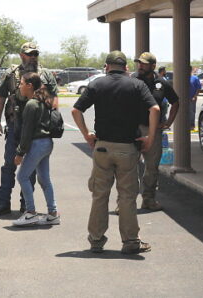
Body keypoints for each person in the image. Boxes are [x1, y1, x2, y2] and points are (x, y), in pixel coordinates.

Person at [71, 51, 159, 254]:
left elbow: (76, 110)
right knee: (127, 196)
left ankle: (96, 240)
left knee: (100, 195)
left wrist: (86, 135)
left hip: (102, 147)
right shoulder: (136, 85)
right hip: (127, 148)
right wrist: (151, 137)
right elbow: (154, 109)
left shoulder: (97, 84)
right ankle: (130, 241)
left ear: (107, 66)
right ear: (126, 67)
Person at [0, 41, 58, 217]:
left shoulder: (45, 74)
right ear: (22, 55)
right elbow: (0, 96)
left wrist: (50, 121)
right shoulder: (11, 74)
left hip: (36, 130)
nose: (33, 57)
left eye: (36, 53)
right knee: (9, 165)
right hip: (14, 126)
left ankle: (26, 206)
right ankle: (3, 204)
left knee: (31, 169)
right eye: (30, 54)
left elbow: (54, 100)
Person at [132, 52, 179, 211]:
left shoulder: (161, 83)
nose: (140, 66)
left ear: (153, 66)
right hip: (133, 129)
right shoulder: (133, 80)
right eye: (139, 63)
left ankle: (148, 200)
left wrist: (168, 122)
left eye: (144, 64)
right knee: (129, 167)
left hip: (154, 130)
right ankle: (125, 203)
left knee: (152, 167)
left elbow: (175, 101)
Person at [12, 72, 60, 227]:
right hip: (47, 143)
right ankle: (52, 214)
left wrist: (20, 153)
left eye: (21, 83)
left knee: (22, 177)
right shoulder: (43, 101)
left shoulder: (32, 104)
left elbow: (27, 132)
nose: (19, 86)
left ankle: (31, 213)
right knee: (44, 179)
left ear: (29, 85)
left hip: (37, 144)